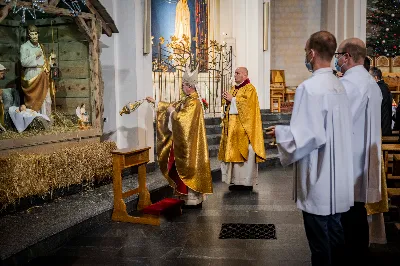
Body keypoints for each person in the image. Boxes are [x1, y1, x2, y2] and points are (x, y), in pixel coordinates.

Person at [267, 31, 354, 266]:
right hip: (339, 177)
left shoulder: (309, 88)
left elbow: (306, 136)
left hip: (319, 177)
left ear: (312, 53)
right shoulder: (340, 86)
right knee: (336, 237)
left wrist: (281, 132)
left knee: (319, 245)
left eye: (306, 52)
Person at [335, 38, 382, 263]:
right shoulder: (370, 82)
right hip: (364, 156)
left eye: (338, 55)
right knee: (357, 212)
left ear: (347, 56)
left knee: (348, 218)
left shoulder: (349, 85)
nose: (337, 59)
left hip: (348, 159)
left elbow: (339, 122)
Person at [146, 66, 213, 207]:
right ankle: (184, 197)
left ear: (189, 86)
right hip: (184, 142)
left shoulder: (194, 102)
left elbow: (182, 120)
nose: (182, 87)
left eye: (183, 85)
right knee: (180, 167)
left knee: (188, 168)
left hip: (189, 144)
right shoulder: (188, 100)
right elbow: (172, 106)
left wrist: (172, 112)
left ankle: (192, 200)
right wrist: (156, 102)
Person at [218, 67, 266, 190]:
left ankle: (246, 183)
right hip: (233, 129)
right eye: (235, 73)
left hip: (244, 130)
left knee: (245, 154)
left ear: (245, 75)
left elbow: (248, 107)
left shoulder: (250, 88)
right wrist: (227, 103)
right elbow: (230, 106)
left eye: (238, 73)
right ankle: (235, 181)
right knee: (233, 154)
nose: (235, 75)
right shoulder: (234, 88)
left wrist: (233, 100)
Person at [20, 25, 56, 116]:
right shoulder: (24, 47)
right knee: (34, 99)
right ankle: (35, 120)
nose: (35, 36)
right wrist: (35, 55)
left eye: (36, 34)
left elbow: (44, 62)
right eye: (32, 34)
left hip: (42, 75)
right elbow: (23, 62)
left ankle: (46, 118)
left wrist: (50, 60)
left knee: (46, 99)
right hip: (32, 75)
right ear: (28, 35)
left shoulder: (41, 46)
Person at [370, 66, 392, 136]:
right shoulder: (383, 86)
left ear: (375, 78)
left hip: (382, 128)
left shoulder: (377, 88)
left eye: (369, 77)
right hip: (385, 125)